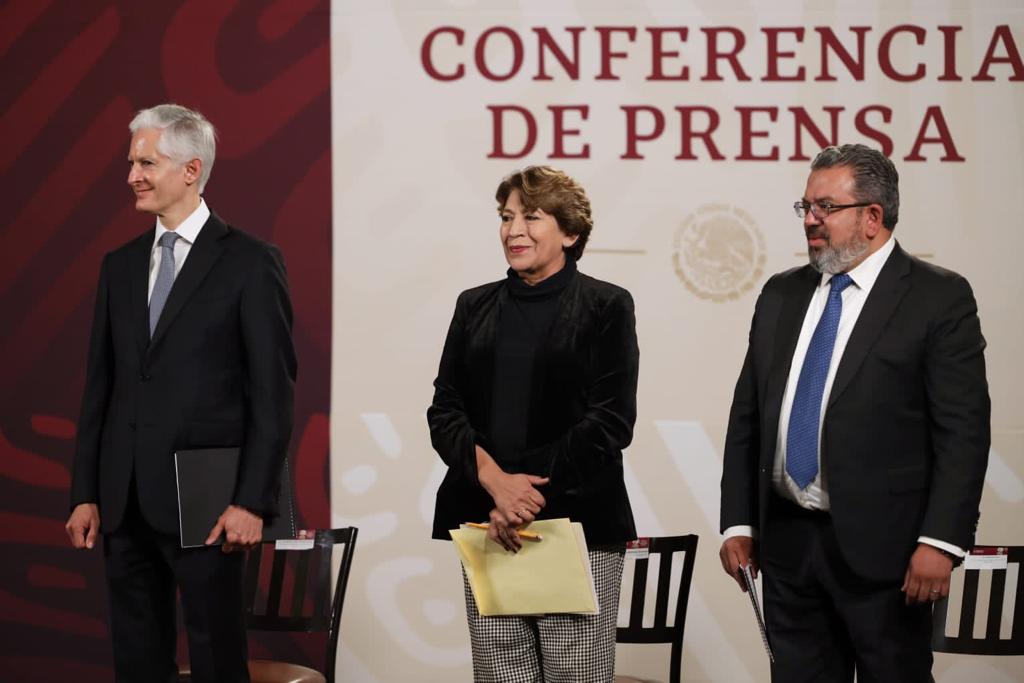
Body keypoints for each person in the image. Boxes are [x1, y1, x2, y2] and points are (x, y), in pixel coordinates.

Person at [719, 144, 990, 681]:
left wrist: (940, 541)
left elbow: (963, 432)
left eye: (826, 207)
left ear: (872, 216)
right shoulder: (781, 293)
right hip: (788, 548)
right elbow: (748, 416)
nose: (810, 220)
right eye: (806, 207)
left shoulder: (937, 297)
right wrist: (739, 522)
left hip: (890, 554)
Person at [64, 104, 297, 683]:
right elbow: (100, 389)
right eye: (131, 163)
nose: (132, 176)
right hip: (123, 502)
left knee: (217, 660)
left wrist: (253, 502)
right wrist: (85, 492)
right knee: (137, 663)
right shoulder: (118, 267)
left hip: (210, 505)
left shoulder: (251, 262)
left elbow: (272, 395)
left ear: (191, 169)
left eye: (146, 163)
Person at [428, 165, 639, 682]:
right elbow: (445, 410)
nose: (514, 230)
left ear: (570, 232)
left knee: (575, 674)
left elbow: (610, 422)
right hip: (487, 522)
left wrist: (522, 497)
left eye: (532, 217)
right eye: (506, 217)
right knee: (501, 674)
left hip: (575, 524)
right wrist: (495, 483)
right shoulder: (473, 306)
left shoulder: (606, 305)